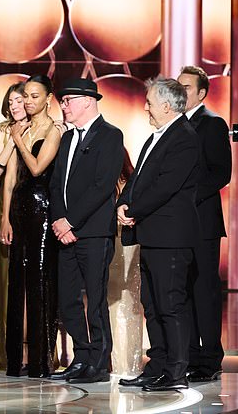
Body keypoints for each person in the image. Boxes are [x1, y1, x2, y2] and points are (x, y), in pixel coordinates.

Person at [117, 77, 200, 391]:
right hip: (152, 234)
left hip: (172, 237)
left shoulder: (184, 138)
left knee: (170, 303)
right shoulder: (158, 136)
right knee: (152, 304)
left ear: (167, 106)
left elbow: (166, 186)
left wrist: (134, 209)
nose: (146, 107)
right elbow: (138, 179)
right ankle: (159, 364)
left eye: (150, 102)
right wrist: (124, 203)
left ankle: (176, 371)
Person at [48, 77, 124, 384]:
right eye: (62, 101)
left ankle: (99, 361)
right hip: (65, 232)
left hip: (93, 233)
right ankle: (80, 357)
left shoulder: (110, 136)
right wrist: (59, 220)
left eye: (68, 101)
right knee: (67, 298)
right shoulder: (67, 139)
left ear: (88, 101)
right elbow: (55, 184)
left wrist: (71, 221)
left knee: (95, 298)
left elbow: (102, 186)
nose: (63, 107)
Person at [0, 75, 61, 377]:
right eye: (25, 96)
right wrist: (3, 218)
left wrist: (19, 139)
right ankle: (14, 361)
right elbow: (10, 177)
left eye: (35, 96)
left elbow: (37, 168)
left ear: (48, 98)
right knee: (16, 282)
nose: (28, 101)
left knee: (39, 282)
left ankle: (40, 362)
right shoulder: (19, 128)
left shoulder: (54, 130)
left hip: (43, 208)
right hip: (19, 209)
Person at [178, 66, 232, 382]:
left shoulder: (212, 124)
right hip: (176, 224)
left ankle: (210, 359)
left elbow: (220, 173)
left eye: (187, 86)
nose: (180, 90)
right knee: (181, 292)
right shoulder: (172, 124)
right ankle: (189, 356)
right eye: (178, 85)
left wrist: (185, 196)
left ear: (201, 92)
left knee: (204, 291)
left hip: (203, 222)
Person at [0, 82, 28, 371]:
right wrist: (13, 140)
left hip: (39, 204)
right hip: (7, 203)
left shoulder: (47, 127)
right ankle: (5, 351)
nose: (15, 106)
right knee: (7, 277)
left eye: (20, 100)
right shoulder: (2, 131)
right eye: (11, 102)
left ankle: (40, 350)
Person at [107, 149, 143, 376]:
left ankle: (122, 362)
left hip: (122, 244)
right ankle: (127, 362)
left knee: (119, 301)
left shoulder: (120, 185)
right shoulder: (131, 182)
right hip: (126, 244)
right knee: (126, 301)